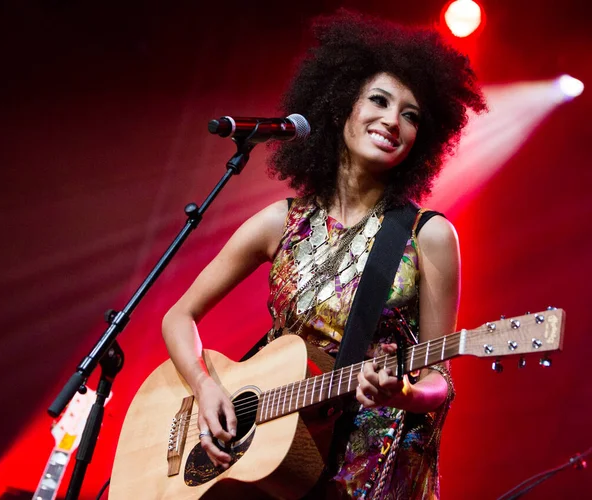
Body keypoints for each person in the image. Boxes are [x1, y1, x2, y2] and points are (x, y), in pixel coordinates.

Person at [162, 9, 487, 499]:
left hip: (371, 465)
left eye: (411, 115)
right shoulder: (281, 222)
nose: (392, 121)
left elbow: (441, 378)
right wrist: (206, 388)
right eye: (378, 100)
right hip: (276, 457)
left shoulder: (429, 235)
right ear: (341, 109)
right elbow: (178, 316)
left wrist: (405, 392)